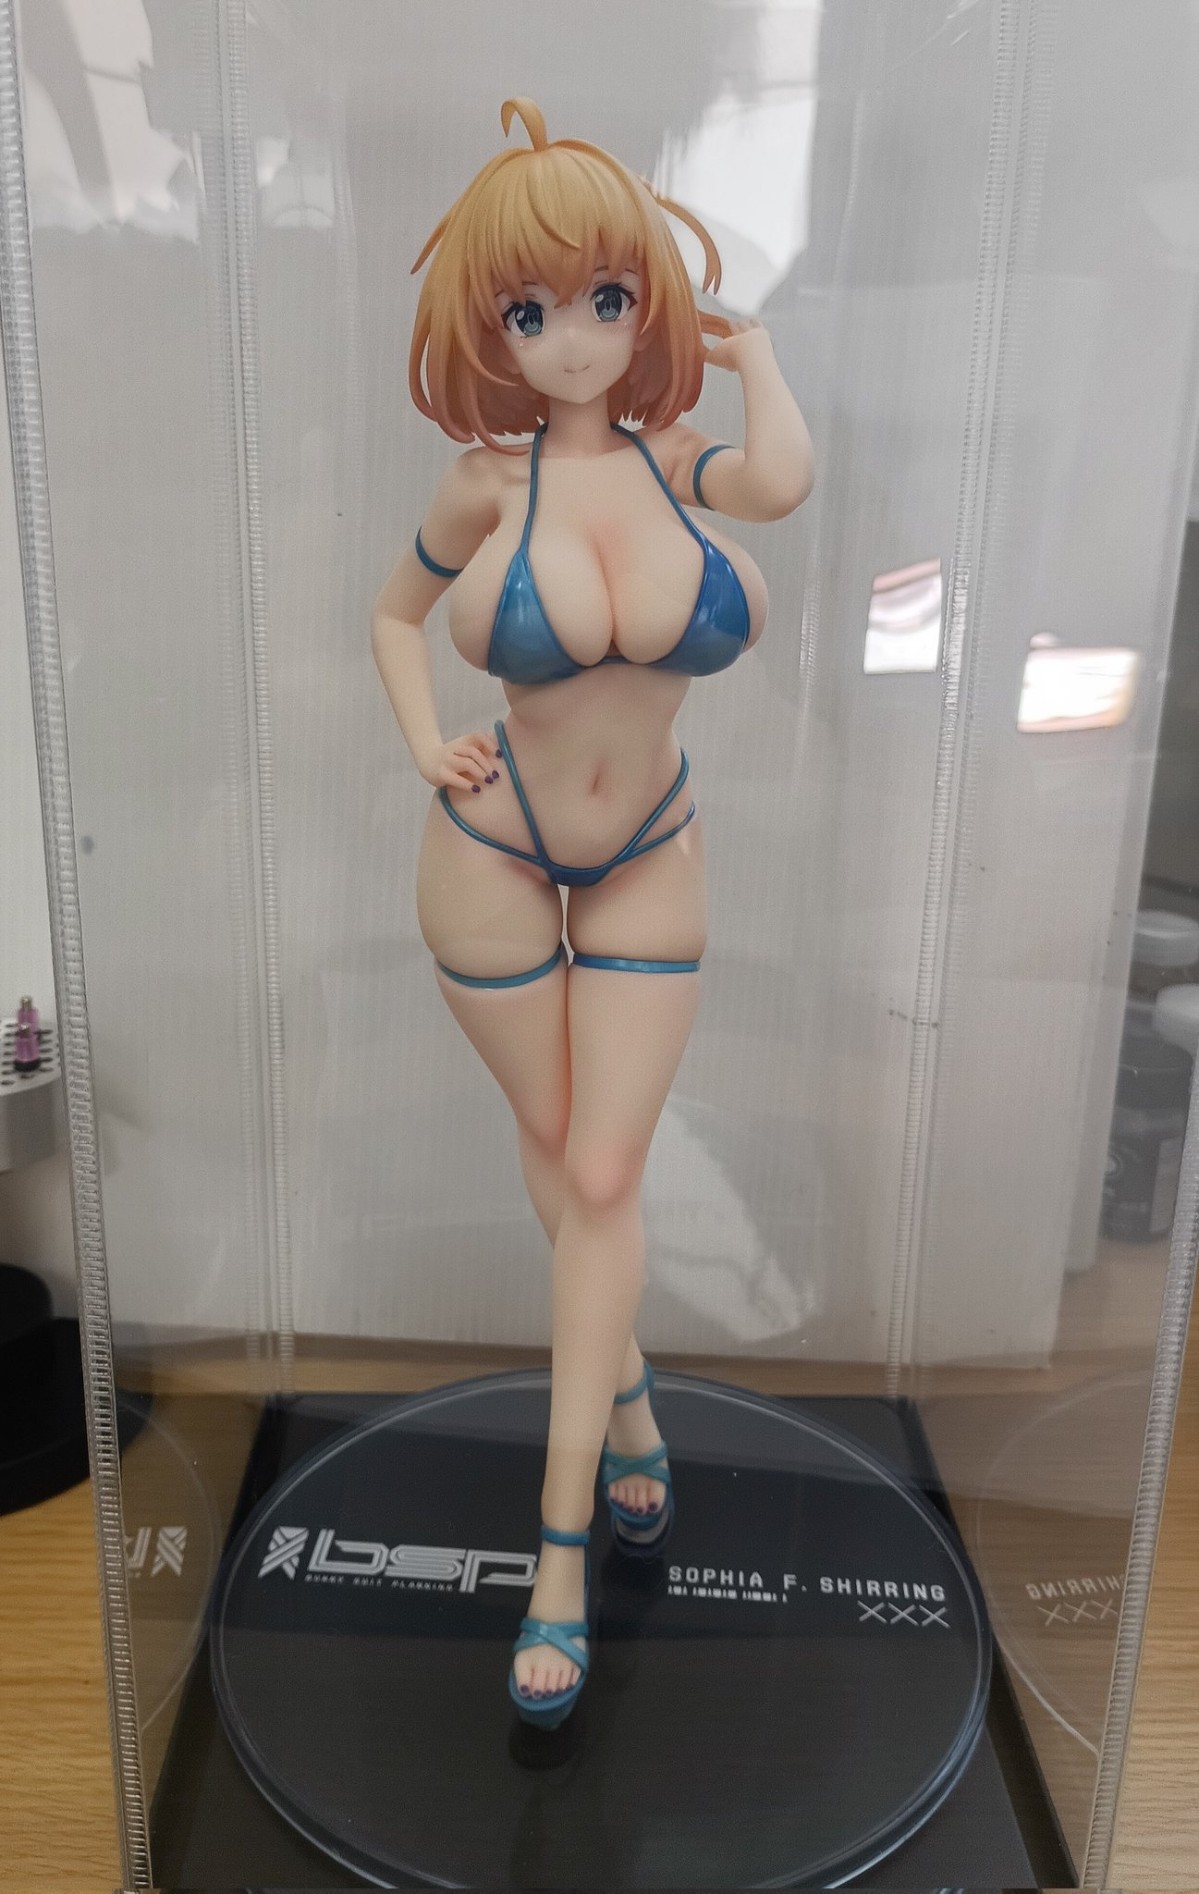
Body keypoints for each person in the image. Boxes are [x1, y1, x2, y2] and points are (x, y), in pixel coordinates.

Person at [372, 96, 813, 1729]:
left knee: (604, 1173)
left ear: (649, 304)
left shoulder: (682, 458)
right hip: (491, 849)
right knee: (565, 1151)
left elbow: (784, 481)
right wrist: (424, 742)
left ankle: (558, 1556)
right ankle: (623, 1418)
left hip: (650, 852)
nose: (573, 337)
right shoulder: (481, 483)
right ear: (487, 328)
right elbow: (393, 614)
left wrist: (758, 356)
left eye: (608, 300)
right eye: (530, 311)